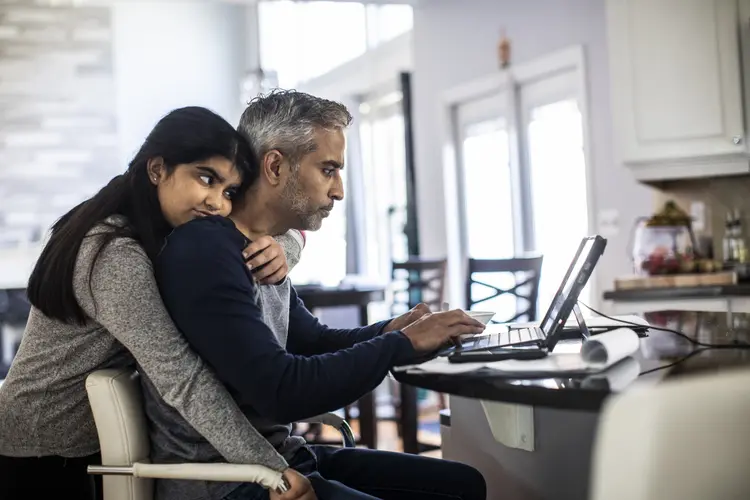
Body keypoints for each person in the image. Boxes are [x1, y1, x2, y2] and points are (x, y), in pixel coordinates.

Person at [147, 90, 489, 500]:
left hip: (278, 459)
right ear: (275, 166)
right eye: (328, 169)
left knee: (465, 485)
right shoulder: (205, 253)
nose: (339, 190)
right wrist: (399, 345)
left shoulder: (262, 248)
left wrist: (392, 331)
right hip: (228, 482)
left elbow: (313, 342)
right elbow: (283, 390)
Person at [0, 106, 303, 499]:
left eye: (228, 191)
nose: (217, 202)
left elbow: (253, 233)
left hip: (77, 446)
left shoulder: (159, 236)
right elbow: (181, 377)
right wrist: (272, 471)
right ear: (157, 169)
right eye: (206, 178)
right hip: (38, 450)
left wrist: (288, 244)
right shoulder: (115, 253)